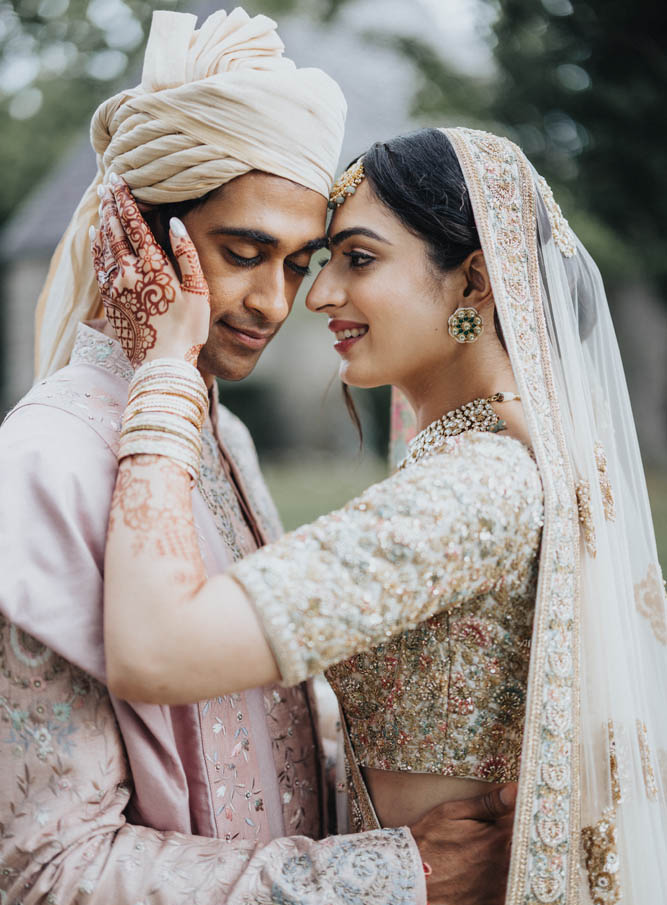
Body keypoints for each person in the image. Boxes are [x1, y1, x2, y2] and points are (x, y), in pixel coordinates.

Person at [0, 10, 516, 905]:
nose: (278, 302)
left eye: (300, 261)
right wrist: (390, 878)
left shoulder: (218, 434)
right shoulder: (42, 464)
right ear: (135, 236)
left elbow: (267, 740)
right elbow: (46, 869)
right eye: (245, 254)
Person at [97, 125, 667, 904]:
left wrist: (164, 375)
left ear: (473, 283)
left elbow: (156, 651)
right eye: (322, 262)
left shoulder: (478, 487)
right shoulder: (490, 459)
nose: (320, 293)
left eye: (357, 259)